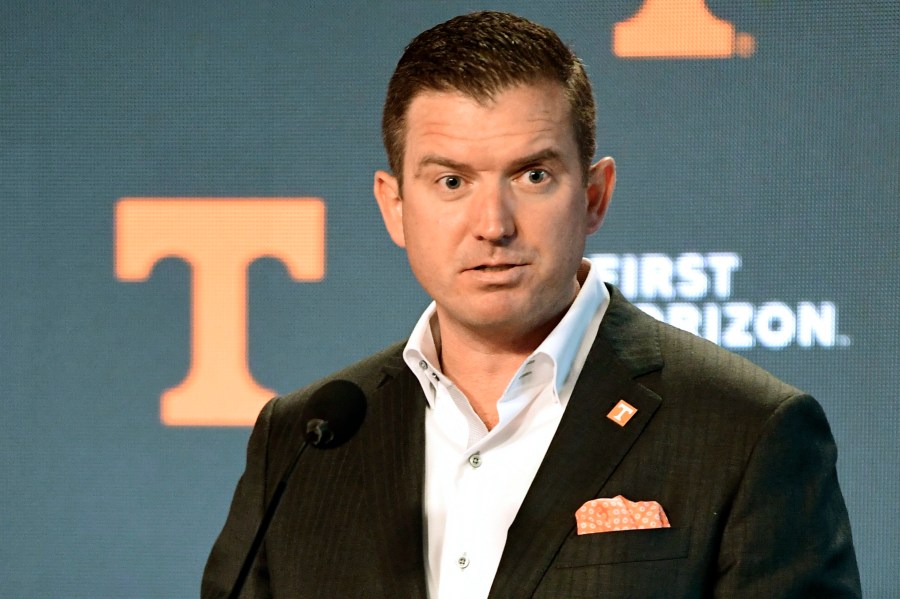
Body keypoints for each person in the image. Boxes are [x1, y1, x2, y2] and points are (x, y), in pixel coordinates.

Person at [202, 11, 861, 598]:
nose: (493, 223)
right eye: (452, 180)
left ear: (595, 195)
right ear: (394, 205)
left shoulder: (747, 431)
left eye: (533, 175)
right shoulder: (300, 441)